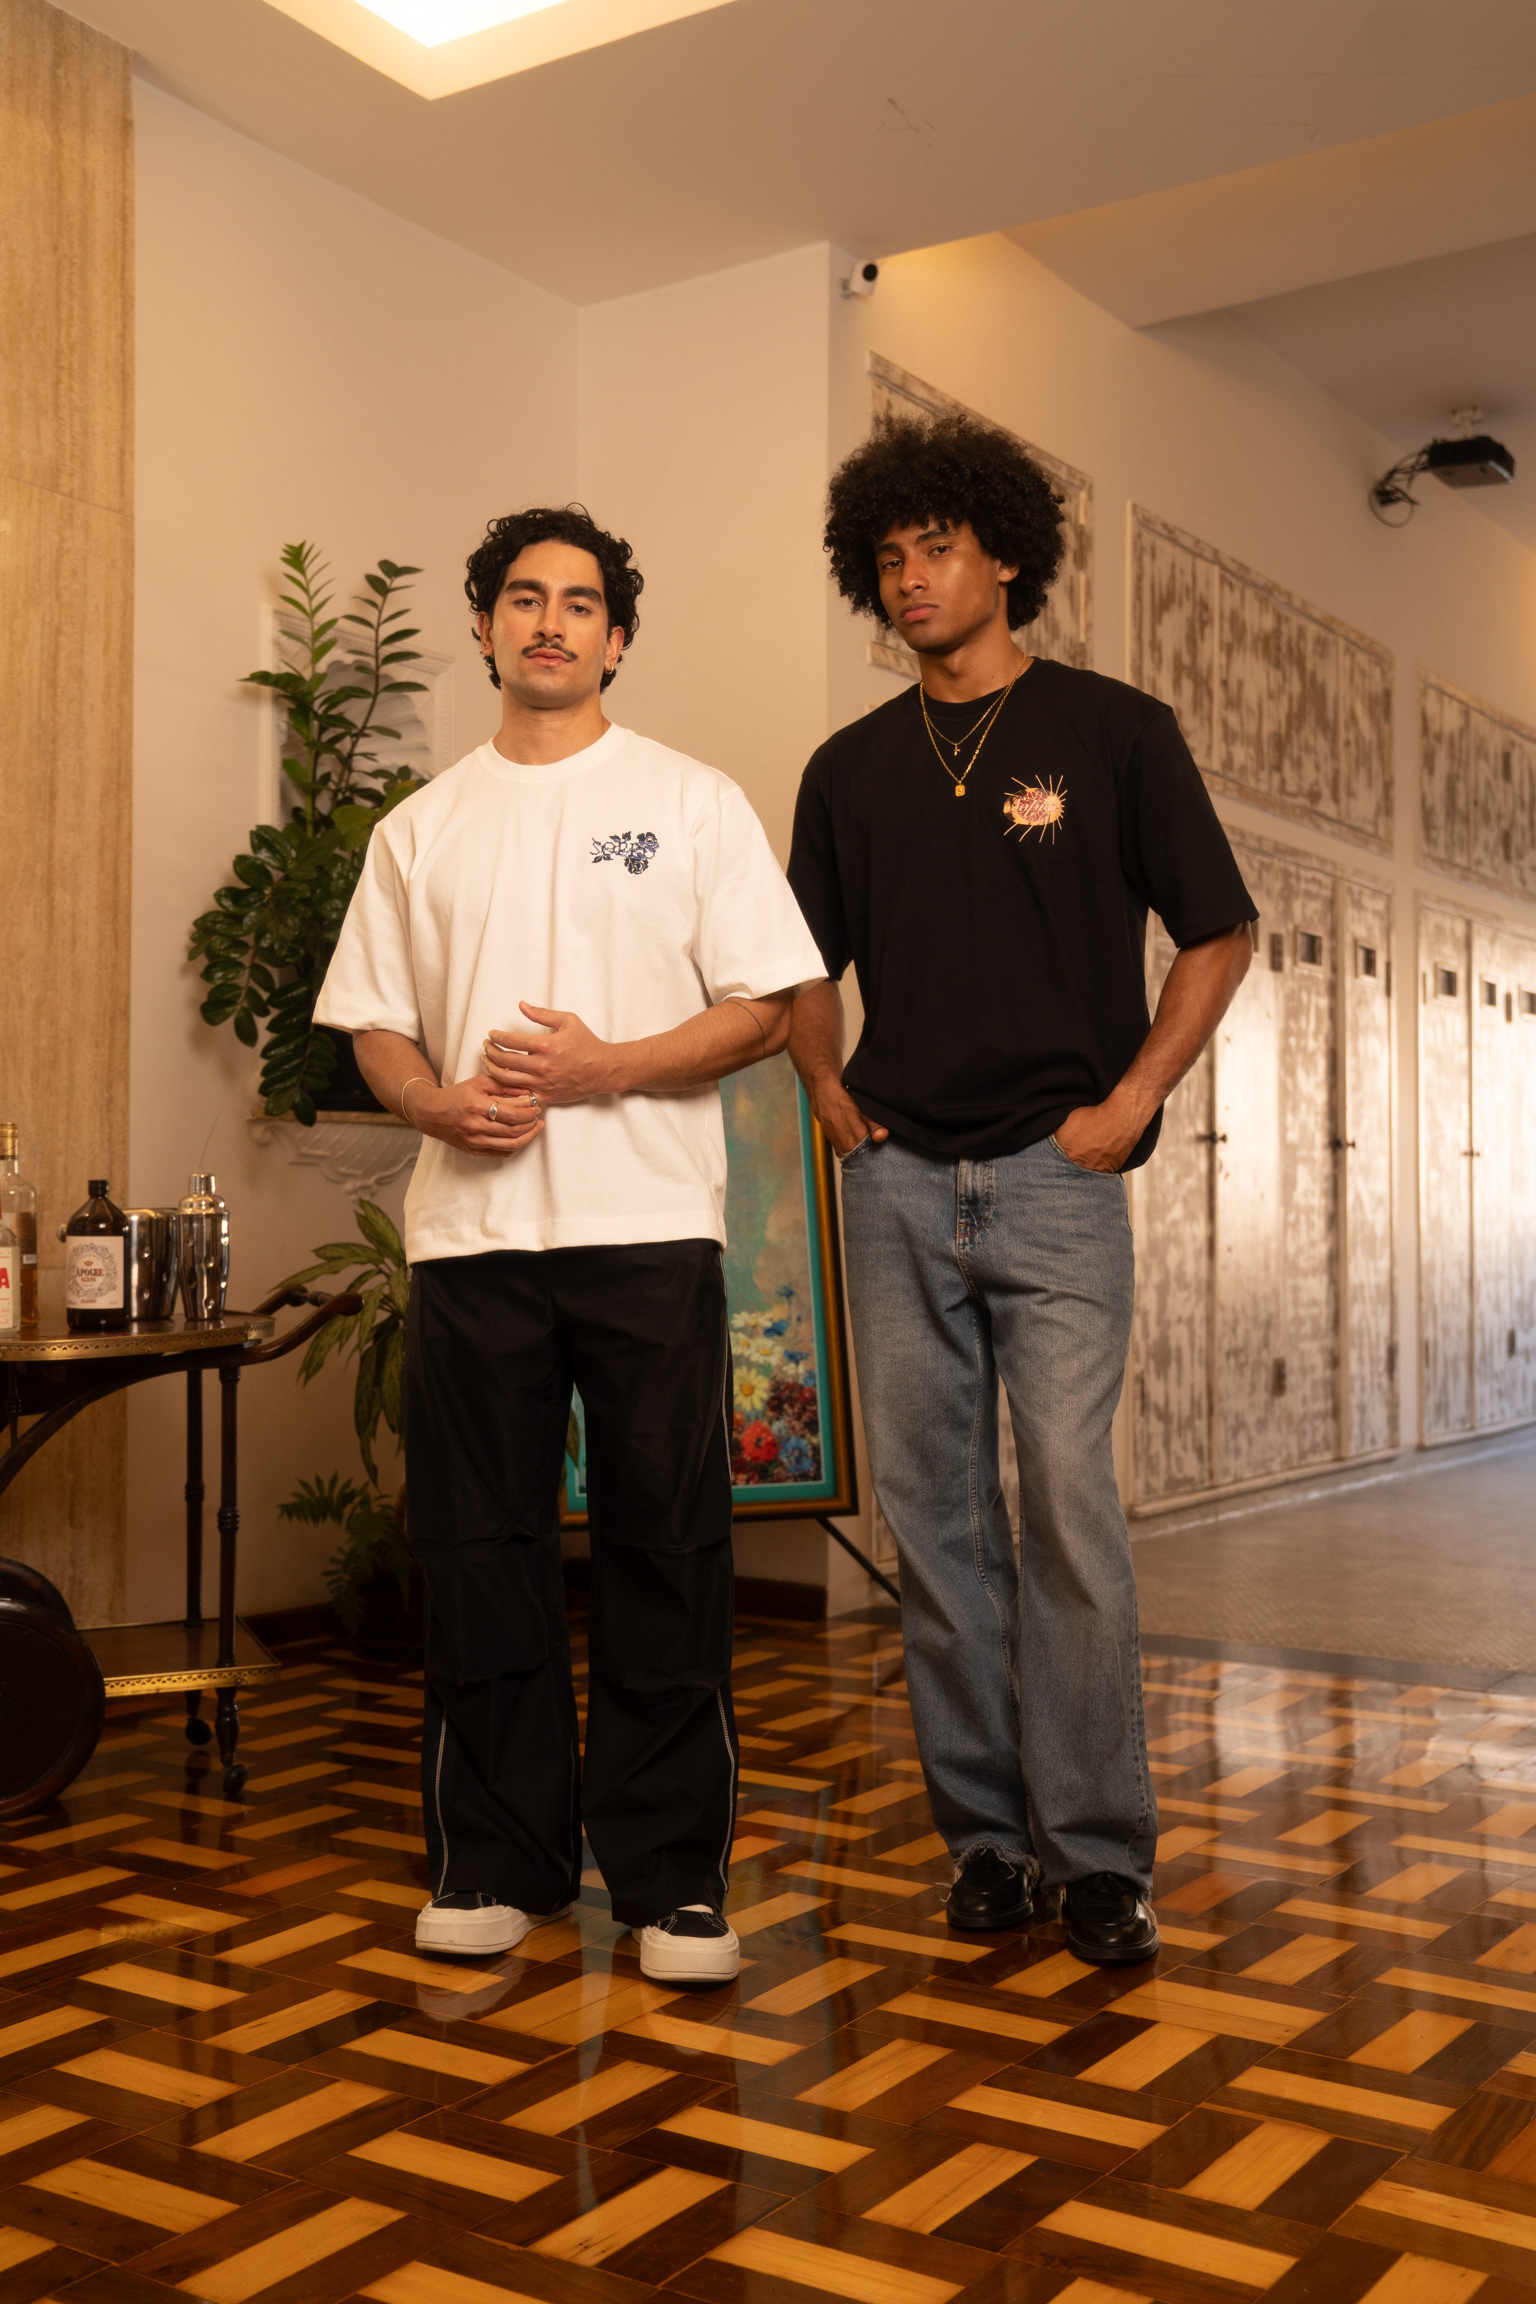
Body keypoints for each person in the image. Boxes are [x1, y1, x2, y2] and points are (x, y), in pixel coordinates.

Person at [316, 504, 825, 1985]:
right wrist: (434, 1102)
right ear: (485, 629)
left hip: (649, 1228)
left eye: (582, 602)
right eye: (525, 598)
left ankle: (673, 1886)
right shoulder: (419, 827)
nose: (552, 621)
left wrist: (610, 1068)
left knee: (669, 1545)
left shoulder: (692, 801)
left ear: (617, 637)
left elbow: (767, 1004)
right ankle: (496, 1861)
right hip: (470, 1238)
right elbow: (375, 1025)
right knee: (478, 1550)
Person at [787, 413, 1256, 1964]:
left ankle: (1101, 1853)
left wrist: (1132, 1100)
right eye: (887, 558)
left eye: (936, 548)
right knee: (936, 1528)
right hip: (897, 1186)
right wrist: (828, 1087)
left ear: (1005, 556)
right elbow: (799, 964)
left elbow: (1219, 931)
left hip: (1057, 1181)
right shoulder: (850, 770)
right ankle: (987, 1843)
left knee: (1065, 1510)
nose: (909, 578)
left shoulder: (1115, 732)